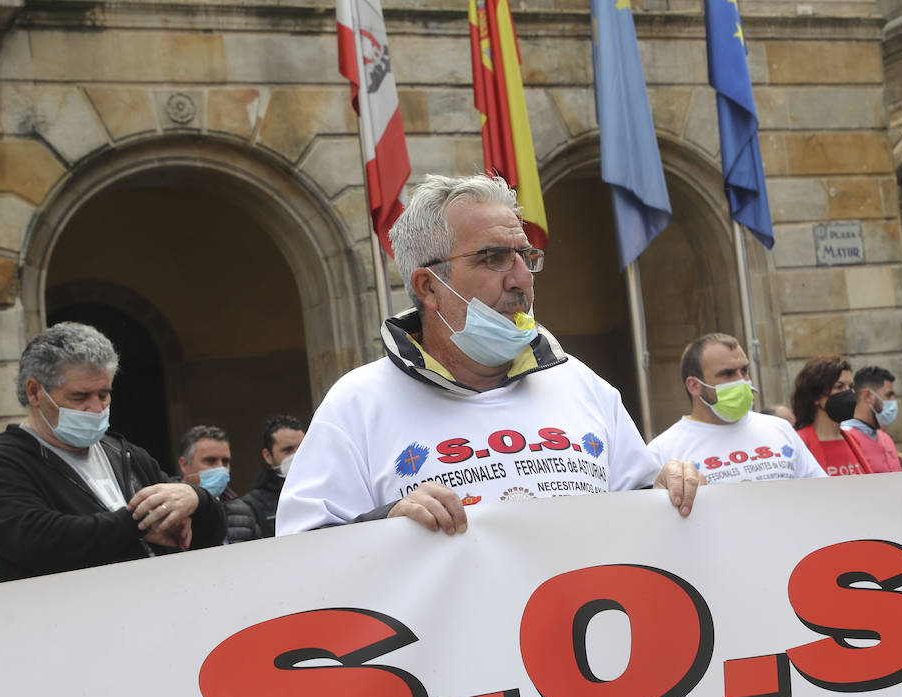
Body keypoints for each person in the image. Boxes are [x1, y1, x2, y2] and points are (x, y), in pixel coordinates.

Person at [276, 174, 702, 535]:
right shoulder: (357, 402)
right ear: (428, 287)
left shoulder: (580, 383)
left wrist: (666, 490)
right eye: (493, 259)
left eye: (525, 256)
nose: (521, 279)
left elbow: (639, 514)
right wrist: (387, 524)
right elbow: (305, 553)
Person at [0, 322, 225, 581]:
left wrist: (196, 500)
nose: (96, 408)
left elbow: (206, 534)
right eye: (80, 396)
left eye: (104, 394)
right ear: (35, 393)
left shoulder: (125, 454)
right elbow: (35, 542)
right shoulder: (1, 466)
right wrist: (136, 524)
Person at [647, 334, 825, 483]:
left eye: (744, 370)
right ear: (694, 385)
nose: (741, 380)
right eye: (728, 374)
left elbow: (818, 494)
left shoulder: (781, 429)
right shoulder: (663, 451)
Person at [790, 355, 873, 477]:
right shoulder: (800, 443)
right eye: (839, 387)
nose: (849, 393)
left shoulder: (852, 440)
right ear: (816, 397)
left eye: (850, 387)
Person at [177, 424, 260, 543]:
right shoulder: (169, 510)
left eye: (225, 461)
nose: (221, 468)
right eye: (210, 461)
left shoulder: (242, 510)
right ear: (184, 465)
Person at [239, 415, 306, 539]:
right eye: (288, 450)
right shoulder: (250, 506)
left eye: (302, 448)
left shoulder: (322, 492)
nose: (297, 456)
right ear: (268, 456)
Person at [840, 366, 901, 473]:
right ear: (868, 396)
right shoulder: (846, 438)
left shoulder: (885, 438)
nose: (894, 401)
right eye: (889, 395)